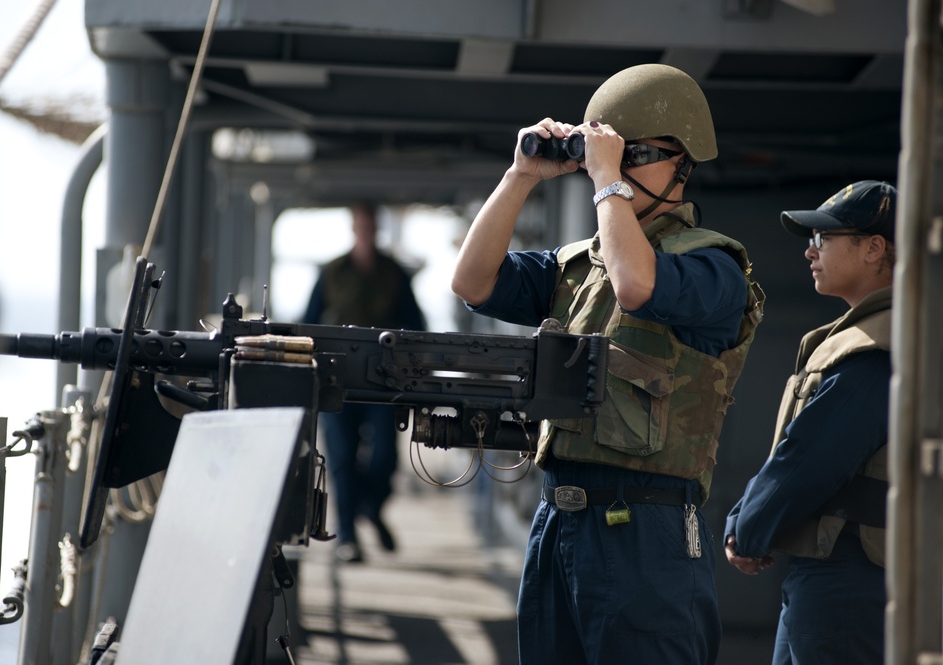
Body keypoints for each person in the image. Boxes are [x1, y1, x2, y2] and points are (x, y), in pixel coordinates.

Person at [451, 63, 765, 664]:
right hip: (559, 519)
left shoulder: (713, 268)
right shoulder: (580, 266)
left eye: (633, 154)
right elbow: (473, 281)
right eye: (608, 152)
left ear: (683, 164)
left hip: (645, 532)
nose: (614, 166)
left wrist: (603, 179)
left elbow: (636, 285)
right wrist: (521, 176)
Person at [724, 180, 896, 664]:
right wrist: (748, 518)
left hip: (849, 577)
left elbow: (813, 457)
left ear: (873, 248)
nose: (809, 251)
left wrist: (749, 528)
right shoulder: (870, 335)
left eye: (823, 238)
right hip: (838, 569)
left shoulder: (875, 349)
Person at [303, 202, 427, 563]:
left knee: (385, 457)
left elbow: (415, 324)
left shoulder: (393, 274)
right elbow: (310, 323)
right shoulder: (332, 273)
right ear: (354, 229)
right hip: (338, 381)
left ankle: (371, 507)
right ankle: (350, 537)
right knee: (341, 458)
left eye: (371, 227)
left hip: (382, 383)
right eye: (362, 227)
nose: (367, 233)